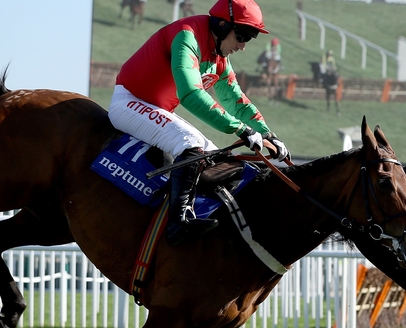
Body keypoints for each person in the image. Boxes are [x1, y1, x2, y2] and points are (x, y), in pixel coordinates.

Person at [108, 0, 290, 246]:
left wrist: (268, 134)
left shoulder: (219, 54)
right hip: (128, 102)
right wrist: (241, 129)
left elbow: (236, 100)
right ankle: (178, 223)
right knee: (190, 142)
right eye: (241, 35)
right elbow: (191, 94)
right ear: (222, 25)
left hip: (156, 109)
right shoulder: (187, 36)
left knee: (215, 157)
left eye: (250, 38)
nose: (243, 46)